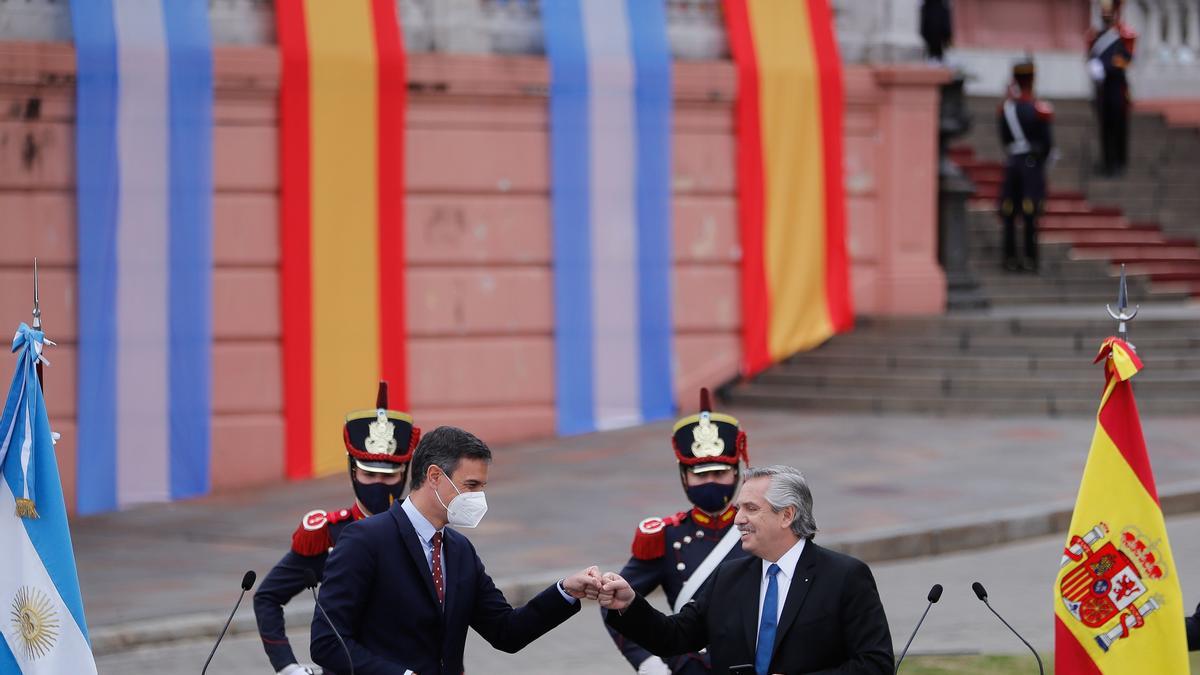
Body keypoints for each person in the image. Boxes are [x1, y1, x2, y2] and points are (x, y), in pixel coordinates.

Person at [310, 425, 602, 674]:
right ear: (435, 476)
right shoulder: (366, 540)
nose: (478, 497)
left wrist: (566, 590)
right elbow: (327, 642)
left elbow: (507, 631)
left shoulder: (459, 551)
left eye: (482, 487)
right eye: (471, 485)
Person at [601, 465, 893, 675]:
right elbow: (674, 636)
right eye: (739, 508)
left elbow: (875, 665)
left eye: (751, 509)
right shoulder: (729, 576)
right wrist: (629, 603)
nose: (738, 519)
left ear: (786, 515)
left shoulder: (845, 576)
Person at [254, 381, 418, 675]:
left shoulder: (423, 529)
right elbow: (267, 597)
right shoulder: (329, 534)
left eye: (389, 475)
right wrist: (286, 665)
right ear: (352, 471)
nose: (379, 484)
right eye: (369, 474)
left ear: (404, 473)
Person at [605, 387, 751, 674]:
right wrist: (648, 662)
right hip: (689, 665)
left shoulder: (756, 527)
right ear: (683, 477)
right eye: (700, 475)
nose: (710, 482)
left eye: (720, 473)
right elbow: (615, 600)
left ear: (736, 473)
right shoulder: (666, 536)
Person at [997, 57, 1055, 273]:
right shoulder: (1039, 109)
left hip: (1013, 164)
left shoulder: (1006, 110)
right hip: (1031, 165)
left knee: (1009, 213)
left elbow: (1004, 140)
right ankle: (1030, 258)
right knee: (1030, 215)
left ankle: (1009, 258)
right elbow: (1047, 144)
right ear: (1032, 79)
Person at [1087, 0, 1136, 177]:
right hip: (1103, 89)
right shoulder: (1096, 36)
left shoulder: (1123, 36)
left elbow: (1127, 60)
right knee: (1105, 126)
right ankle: (1107, 161)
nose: (1106, 17)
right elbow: (1091, 55)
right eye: (1104, 14)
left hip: (1117, 88)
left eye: (1109, 14)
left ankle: (1119, 162)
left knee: (1119, 126)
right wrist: (1092, 66)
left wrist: (1106, 67)